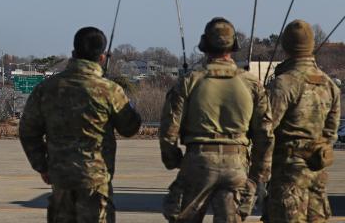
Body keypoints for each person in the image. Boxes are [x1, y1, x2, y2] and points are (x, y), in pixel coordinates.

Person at [19, 26, 142, 223]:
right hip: (96, 181)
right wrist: (127, 103)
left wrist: (42, 165)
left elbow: (28, 131)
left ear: (74, 53)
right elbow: (130, 128)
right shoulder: (110, 90)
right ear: (102, 58)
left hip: (61, 179)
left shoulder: (47, 88)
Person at [159, 17, 274, 223]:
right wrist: (257, 177)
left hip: (198, 160)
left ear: (204, 45)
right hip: (236, 164)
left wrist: (174, 159)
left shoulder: (190, 81)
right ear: (234, 45)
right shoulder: (252, 84)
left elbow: (168, 129)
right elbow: (265, 135)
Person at [264, 19, 341, 223]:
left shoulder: (284, 84)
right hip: (317, 175)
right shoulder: (329, 85)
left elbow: (265, 130)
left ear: (287, 46)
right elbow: (331, 132)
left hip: (288, 175)